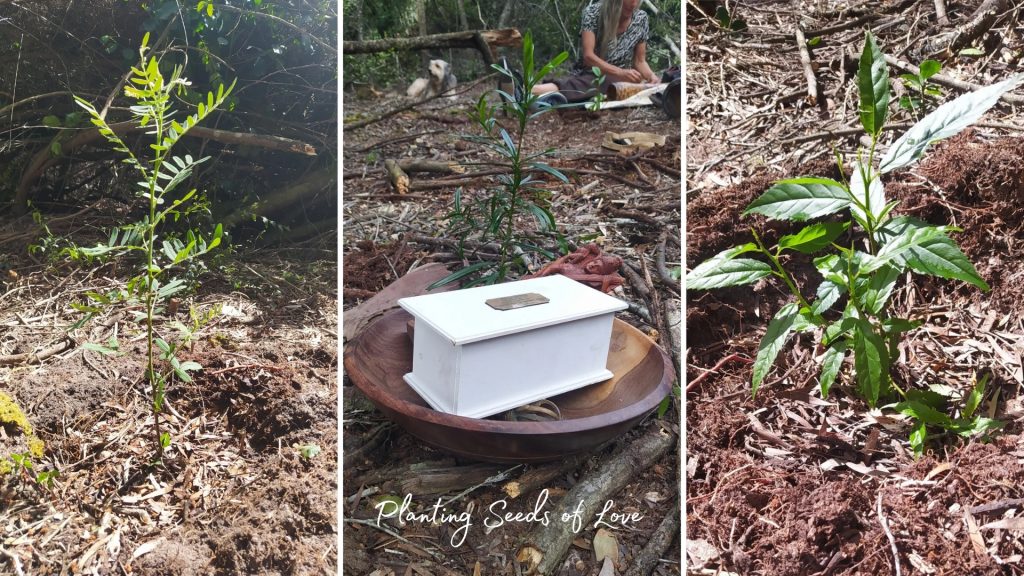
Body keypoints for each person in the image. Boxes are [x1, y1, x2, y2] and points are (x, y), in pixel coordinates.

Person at [533, 0, 660, 104]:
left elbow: (640, 61)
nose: (633, 4)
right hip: (594, 73)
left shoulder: (641, 18)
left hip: (624, 81)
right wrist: (620, 72)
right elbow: (588, 57)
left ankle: (548, 93)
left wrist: (651, 76)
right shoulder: (592, 13)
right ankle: (535, 91)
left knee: (618, 85)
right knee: (597, 82)